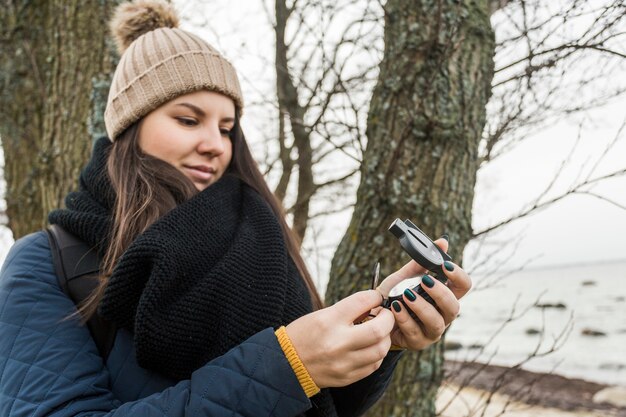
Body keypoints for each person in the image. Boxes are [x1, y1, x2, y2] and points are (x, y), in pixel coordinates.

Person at [0, 1, 471, 416]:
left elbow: (323, 404)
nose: (214, 144)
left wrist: (377, 338)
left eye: (227, 128)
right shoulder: (47, 262)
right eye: (188, 119)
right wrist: (287, 367)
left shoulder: (257, 233)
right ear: (129, 128)